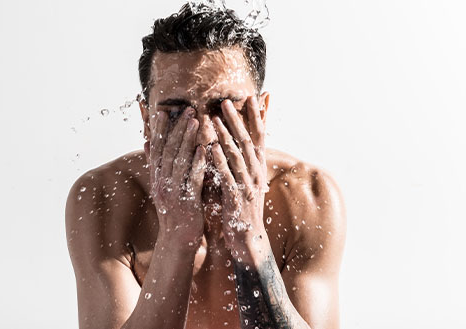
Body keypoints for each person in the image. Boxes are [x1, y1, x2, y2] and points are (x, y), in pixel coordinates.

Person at [65, 3, 346, 329]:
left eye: (225, 110)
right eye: (175, 114)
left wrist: (250, 236)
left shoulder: (308, 197)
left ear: (262, 114)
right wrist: (175, 240)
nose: (206, 135)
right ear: (146, 120)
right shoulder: (105, 199)